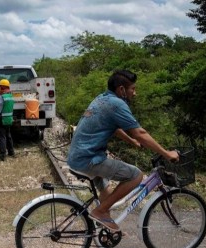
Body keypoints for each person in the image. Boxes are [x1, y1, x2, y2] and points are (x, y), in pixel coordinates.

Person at [67, 70, 179, 232]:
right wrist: (167, 154)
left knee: (106, 192)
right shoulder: (117, 104)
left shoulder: (102, 98)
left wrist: (132, 141)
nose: (135, 93)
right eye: (132, 89)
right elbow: (140, 132)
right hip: (88, 159)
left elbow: (114, 127)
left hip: (77, 156)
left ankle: (104, 228)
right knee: (136, 175)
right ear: (121, 90)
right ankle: (100, 212)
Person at [0, 79, 15, 161]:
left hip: (1, 120)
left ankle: (2, 154)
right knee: (8, 136)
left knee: (2, 137)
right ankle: (11, 152)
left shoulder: (1, 97)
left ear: (2, 87)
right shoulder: (11, 96)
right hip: (9, 119)